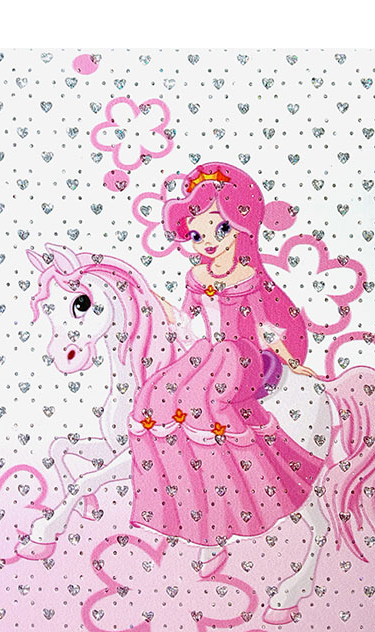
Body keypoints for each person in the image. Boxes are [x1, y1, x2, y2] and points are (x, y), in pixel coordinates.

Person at [128, 163, 325, 551]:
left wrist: (289, 358)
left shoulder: (247, 276)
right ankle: (187, 495)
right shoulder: (196, 277)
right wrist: (157, 307)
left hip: (241, 356)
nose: (207, 242)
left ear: (241, 227)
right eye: (196, 234)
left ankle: (243, 489)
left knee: (199, 400)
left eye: (220, 229)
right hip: (204, 353)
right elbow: (187, 319)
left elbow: (267, 325)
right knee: (155, 394)